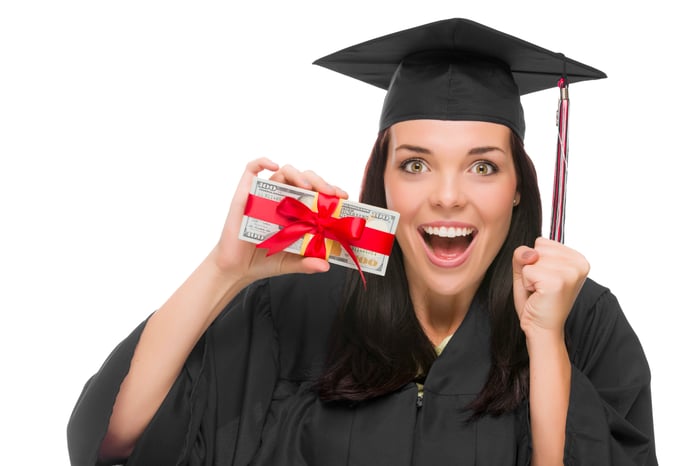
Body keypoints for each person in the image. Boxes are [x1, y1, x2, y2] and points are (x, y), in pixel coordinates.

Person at [67, 18, 657, 465]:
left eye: (483, 167)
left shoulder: (585, 321)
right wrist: (224, 272)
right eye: (415, 164)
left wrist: (547, 341)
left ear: (518, 190)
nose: (448, 197)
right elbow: (114, 442)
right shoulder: (299, 301)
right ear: (381, 183)